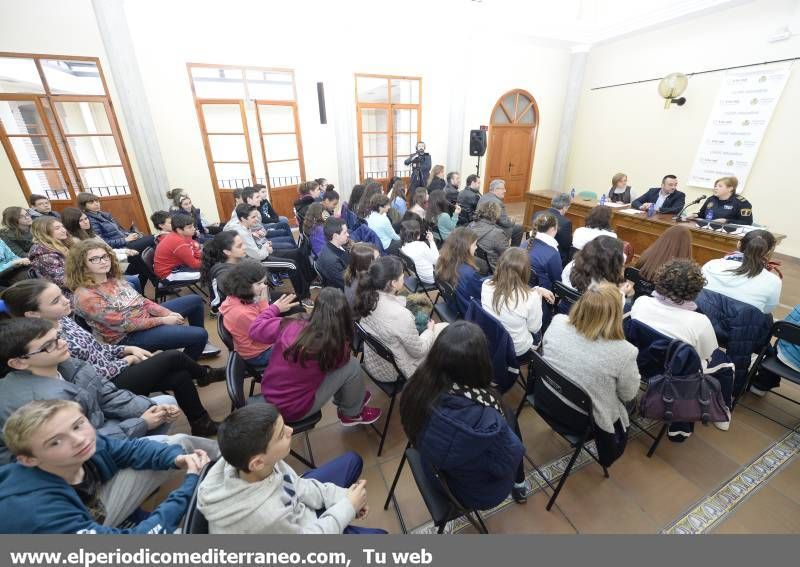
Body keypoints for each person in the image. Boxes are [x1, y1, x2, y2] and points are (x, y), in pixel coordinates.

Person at [1, 280, 222, 435]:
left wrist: (125, 351)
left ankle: (201, 422)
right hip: (106, 382)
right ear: (32, 314)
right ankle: (205, 375)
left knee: (180, 376)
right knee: (173, 357)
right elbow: (87, 376)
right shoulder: (45, 342)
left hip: (114, 367)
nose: (66, 301)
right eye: (56, 300)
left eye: (61, 295)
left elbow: (96, 348)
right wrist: (125, 361)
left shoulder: (63, 320)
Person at [0, 399, 212, 533]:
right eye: (55, 441)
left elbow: (130, 450)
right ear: (28, 460)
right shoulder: (36, 510)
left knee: (175, 445)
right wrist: (188, 487)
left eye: (78, 424)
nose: (78, 439)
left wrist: (177, 460)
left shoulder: (84, 444)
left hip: (87, 512)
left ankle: (231, 462)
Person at [0, 319, 183, 463]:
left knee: (165, 404)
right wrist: (141, 423)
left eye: (58, 337)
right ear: (19, 362)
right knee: (177, 448)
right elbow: (84, 443)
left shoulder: (65, 363)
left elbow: (106, 395)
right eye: (49, 345)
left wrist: (149, 408)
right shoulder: (40, 405)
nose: (63, 343)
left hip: (98, 430)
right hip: (78, 467)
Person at [197, 404, 384, 534]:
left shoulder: (254, 461)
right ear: (257, 463)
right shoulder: (267, 515)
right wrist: (348, 507)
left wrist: (343, 497)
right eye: (281, 435)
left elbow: (297, 485)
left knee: (353, 460)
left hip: (295, 510)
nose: (290, 430)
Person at [399, 321, 528, 509]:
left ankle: (519, 482)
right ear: (480, 363)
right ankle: (519, 483)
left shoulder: (415, 385)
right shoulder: (488, 421)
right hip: (471, 493)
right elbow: (510, 460)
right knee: (509, 415)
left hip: (432, 466)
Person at [249, 289, 381, 425]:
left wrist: (274, 308)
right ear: (344, 315)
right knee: (352, 366)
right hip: (292, 409)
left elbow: (254, 330)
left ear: (316, 308)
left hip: (270, 392)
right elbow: (341, 363)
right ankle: (352, 414)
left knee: (342, 368)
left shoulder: (289, 324)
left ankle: (352, 397)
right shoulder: (334, 346)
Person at [67, 239, 214, 360]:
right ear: (82, 265)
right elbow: (124, 325)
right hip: (127, 337)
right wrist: (163, 320)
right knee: (199, 335)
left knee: (195, 300)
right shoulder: (86, 296)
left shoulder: (113, 279)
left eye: (105, 256)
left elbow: (142, 300)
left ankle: (196, 349)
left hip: (144, 318)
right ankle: (189, 364)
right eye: (94, 259)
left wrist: (166, 312)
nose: (103, 261)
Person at [541, 283, 640, 460]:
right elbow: (627, 394)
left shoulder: (557, 322)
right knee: (632, 401)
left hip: (545, 398)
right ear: (616, 315)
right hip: (582, 421)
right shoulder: (625, 351)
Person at [354, 256, 442, 383]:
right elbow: (419, 351)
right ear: (393, 283)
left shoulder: (366, 297)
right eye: (402, 275)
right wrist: (430, 330)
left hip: (374, 361)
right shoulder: (401, 315)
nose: (404, 277)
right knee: (443, 328)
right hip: (393, 371)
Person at [631, 259, 719, 362]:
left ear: (660, 279)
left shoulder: (641, 302)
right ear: (696, 290)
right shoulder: (701, 322)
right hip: (677, 375)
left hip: (640, 363)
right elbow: (707, 355)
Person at [224, 204, 312, 306]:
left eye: (256, 216)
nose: (256, 219)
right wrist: (266, 248)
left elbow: (255, 247)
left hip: (262, 252)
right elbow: (258, 256)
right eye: (253, 217)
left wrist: (263, 244)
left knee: (297, 253)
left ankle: (307, 283)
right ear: (243, 218)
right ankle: (303, 297)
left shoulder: (244, 226)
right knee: (292, 265)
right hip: (255, 262)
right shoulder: (241, 232)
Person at [482, 248, 554, 357]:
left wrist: (536, 290)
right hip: (518, 348)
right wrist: (537, 299)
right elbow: (534, 328)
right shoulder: (530, 299)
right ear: (525, 271)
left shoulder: (486, 284)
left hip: (495, 338)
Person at [77, 192, 154, 288]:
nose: (96, 203)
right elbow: (104, 243)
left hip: (126, 244)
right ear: (84, 206)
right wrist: (124, 240)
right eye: (91, 202)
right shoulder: (91, 220)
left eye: (97, 201)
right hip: (120, 247)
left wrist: (131, 235)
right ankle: (159, 281)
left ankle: (151, 285)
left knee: (143, 257)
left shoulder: (103, 215)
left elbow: (119, 231)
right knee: (154, 238)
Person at [701, 229, 781, 314]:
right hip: (744, 326)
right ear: (768, 252)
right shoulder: (773, 281)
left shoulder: (711, 265)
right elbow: (766, 311)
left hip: (703, 320)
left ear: (739, 244)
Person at [219, 261, 275, 368]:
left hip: (257, 344)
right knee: (300, 348)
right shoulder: (242, 313)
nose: (264, 287)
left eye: (264, 282)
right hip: (258, 355)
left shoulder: (235, 297)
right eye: (259, 284)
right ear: (244, 285)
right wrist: (265, 303)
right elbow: (269, 331)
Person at [564, 236, 632, 299]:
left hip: (566, 304)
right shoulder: (602, 289)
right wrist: (622, 293)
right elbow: (610, 309)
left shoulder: (572, 265)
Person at [436, 227, 484, 316]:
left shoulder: (442, 261)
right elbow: (481, 295)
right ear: (465, 248)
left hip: (454, 304)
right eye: (474, 244)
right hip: (467, 310)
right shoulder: (469, 273)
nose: (476, 247)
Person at [28, 216, 73, 297]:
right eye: (57, 228)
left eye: (62, 226)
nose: (64, 230)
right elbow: (64, 282)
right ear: (45, 232)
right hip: (63, 295)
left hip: (78, 285)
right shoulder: (43, 255)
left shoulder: (63, 244)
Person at [201, 230, 247, 308]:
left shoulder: (238, 259)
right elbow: (241, 298)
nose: (245, 247)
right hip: (231, 310)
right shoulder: (223, 274)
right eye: (239, 246)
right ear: (227, 252)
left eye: (243, 244)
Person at [152, 212, 202, 282]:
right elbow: (194, 264)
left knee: (211, 267)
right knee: (208, 272)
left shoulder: (184, 235)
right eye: (190, 227)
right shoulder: (178, 242)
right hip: (168, 274)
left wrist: (207, 259)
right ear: (179, 230)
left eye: (193, 226)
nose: (194, 229)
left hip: (179, 266)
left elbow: (195, 252)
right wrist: (210, 262)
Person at [477, 179, 523, 246]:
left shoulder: (483, 197)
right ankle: (514, 252)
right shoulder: (498, 202)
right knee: (519, 228)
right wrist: (512, 221)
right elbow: (505, 223)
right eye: (503, 189)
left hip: (481, 227)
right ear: (495, 189)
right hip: (493, 230)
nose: (505, 191)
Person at [532, 192, 573, 265]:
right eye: (568, 208)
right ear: (564, 207)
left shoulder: (537, 214)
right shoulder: (566, 222)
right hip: (554, 256)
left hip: (534, 248)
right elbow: (566, 245)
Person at [525, 213, 563, 290]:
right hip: (541, 293)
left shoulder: (525, 243)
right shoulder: (552, 254)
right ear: (553, 229)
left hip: (521, 285)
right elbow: (557, 280)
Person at [469, 200, 509, 272]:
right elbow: (507, 255)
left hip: (472, 264)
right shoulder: (498, 234)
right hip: (494, 271)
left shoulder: (470, 225)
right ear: (496, 214)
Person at [399, 220, 438, 285]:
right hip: (432, 278)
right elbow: (436, 261)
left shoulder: (403, 247)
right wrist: (431, 241)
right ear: (416, 234)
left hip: (419, 276)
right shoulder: (421, 245)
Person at [317, 218, 351, 290]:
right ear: (335, 236)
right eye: (345, 232)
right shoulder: (332, 261)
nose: (348, 234)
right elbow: (348, 283)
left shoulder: (333, 245)